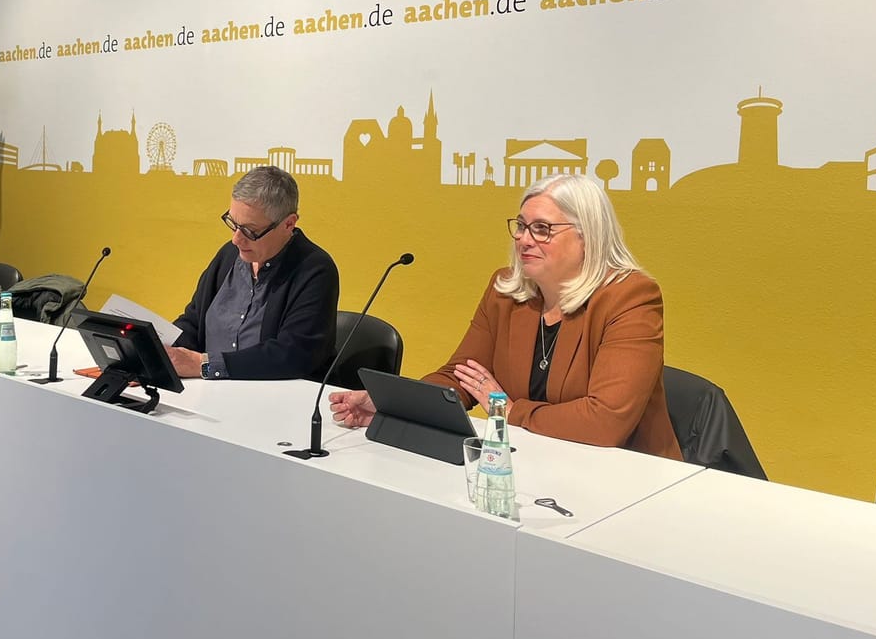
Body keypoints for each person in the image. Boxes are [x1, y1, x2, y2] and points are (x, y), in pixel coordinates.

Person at [329, 173, 682, 459]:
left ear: (587, 236)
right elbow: (462, 377)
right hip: (533, 461)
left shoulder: (631, 297)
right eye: (521, 226)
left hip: (626, 477)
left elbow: (605, 422)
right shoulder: (505, 290)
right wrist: (391, 404)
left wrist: (510, 411)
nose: (524, 240)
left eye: (542, 229)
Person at [167, 165, 339, 381]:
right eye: (233, 224)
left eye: (251, 231)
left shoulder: (315, 269)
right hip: (209, 393)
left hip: (274, 399)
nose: (236, 239)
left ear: (288, 224)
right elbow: (193, 323)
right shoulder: (229, 255)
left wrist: (206, 365)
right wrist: (160, 356)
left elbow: (293, 354)